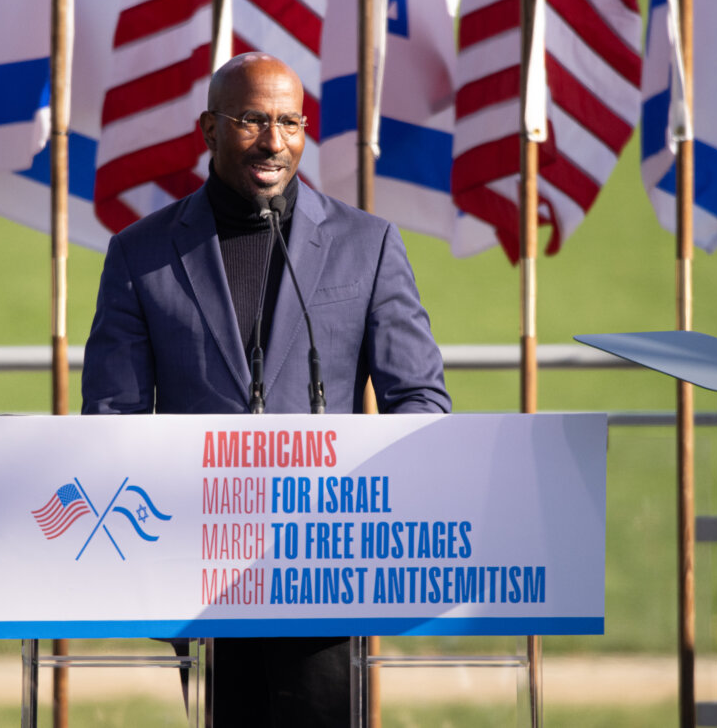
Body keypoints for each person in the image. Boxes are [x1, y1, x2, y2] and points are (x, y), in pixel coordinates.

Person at [82, 53, 450, 726]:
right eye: (252, 120)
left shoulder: (367, 245)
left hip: (330, 574)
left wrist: (365, 495)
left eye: (288, 122)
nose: (273, 141)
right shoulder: (142, 252)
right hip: (202, 574)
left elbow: (421, 400)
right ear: (209, 128)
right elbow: (113, 416)